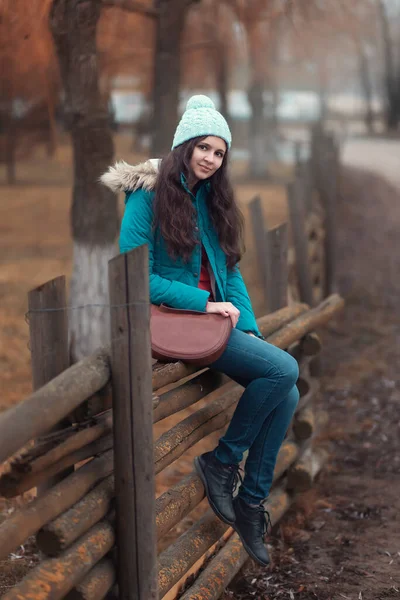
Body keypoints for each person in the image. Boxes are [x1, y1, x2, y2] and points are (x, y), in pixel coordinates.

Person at [101, 95, 299, 567]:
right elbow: (137, 275)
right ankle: (222, 461)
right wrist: (206, 303)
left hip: (213, 321)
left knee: (286, 392)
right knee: (284, 370)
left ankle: (251, 503)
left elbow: (231, 273)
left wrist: (247, 327)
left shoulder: (211, 198)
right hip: (176, 322)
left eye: (220, 151)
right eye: (204, 148)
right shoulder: (147, 197)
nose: (211, 158)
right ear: (184, 146)